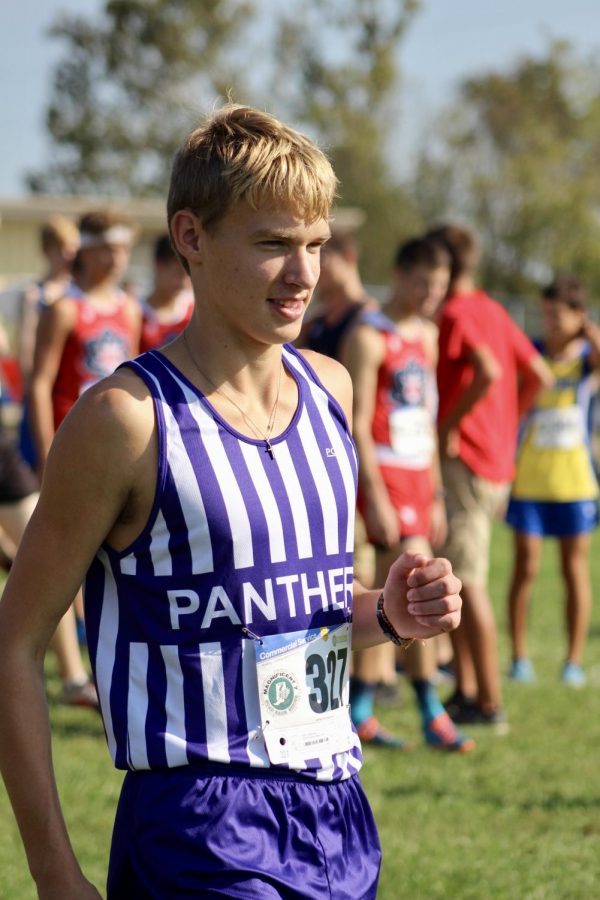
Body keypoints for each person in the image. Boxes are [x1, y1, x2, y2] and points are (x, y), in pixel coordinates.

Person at [0, 105, 463, 900]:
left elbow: (275, 618)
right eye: (273, 244)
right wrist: (53, 873)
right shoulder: (127, 420)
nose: (303, 273)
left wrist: (383, 615)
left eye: (314, 245)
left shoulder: (330, 390)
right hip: (198, 823)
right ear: (191, 238)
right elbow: (13, 644)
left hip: (336, 809)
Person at [343, 236, 474, 752]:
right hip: (382, 477)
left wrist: (438, 490)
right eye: (422, 283)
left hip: (419, 477)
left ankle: (368, 711)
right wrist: (372, 491)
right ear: (398, 276)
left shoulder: (428, 334)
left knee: (408, 592)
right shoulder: (370, 335)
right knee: (394, 592)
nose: (430, 295)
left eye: (439, 286)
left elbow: (430, 414)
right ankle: (423, 709)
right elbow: (356, 421)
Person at [428, 223, 553, 732]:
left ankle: (489, 702)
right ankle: (468, 688)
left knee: (468, 582)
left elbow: (488, 371)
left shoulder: (457, 312)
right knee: (461, 572)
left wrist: (453, 426)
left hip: (467, 460)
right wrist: (507, 429)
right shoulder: (493, 309)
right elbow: (538, 376)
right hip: (494, 460)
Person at [506, 275, 600, 687]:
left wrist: (590, 333)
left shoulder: (585, 358)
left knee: (573, 569)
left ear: (578, 316)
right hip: (529, 481)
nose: (549, 322)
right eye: (544, 314)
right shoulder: (534, 353)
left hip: (575, 483)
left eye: (557, 315)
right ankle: (519, 657)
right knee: (525, 566)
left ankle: (573, 661)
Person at [29, 208, 141, 475]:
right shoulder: (64, 309)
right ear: (86, 251)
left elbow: (133, 380)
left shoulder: (130, 310)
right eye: (108, 249)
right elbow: (40, 385)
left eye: (124, 249)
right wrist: (46, 453)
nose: (118, 258)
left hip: (116, 441)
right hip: (70, 439)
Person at [17, 215, 81, 468]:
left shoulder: (78, 293)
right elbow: (26, 348)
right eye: (63, 249)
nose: (69, 255)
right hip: (47, 394)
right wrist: (32, 393)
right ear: (48, 251)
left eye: (73, 249)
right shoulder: (36, 294)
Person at [139, 233, 193, 353]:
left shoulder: (196, 310)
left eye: (188, 274)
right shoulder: (135, 313)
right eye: (178, 273)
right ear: (158, 265)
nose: (184, 282)